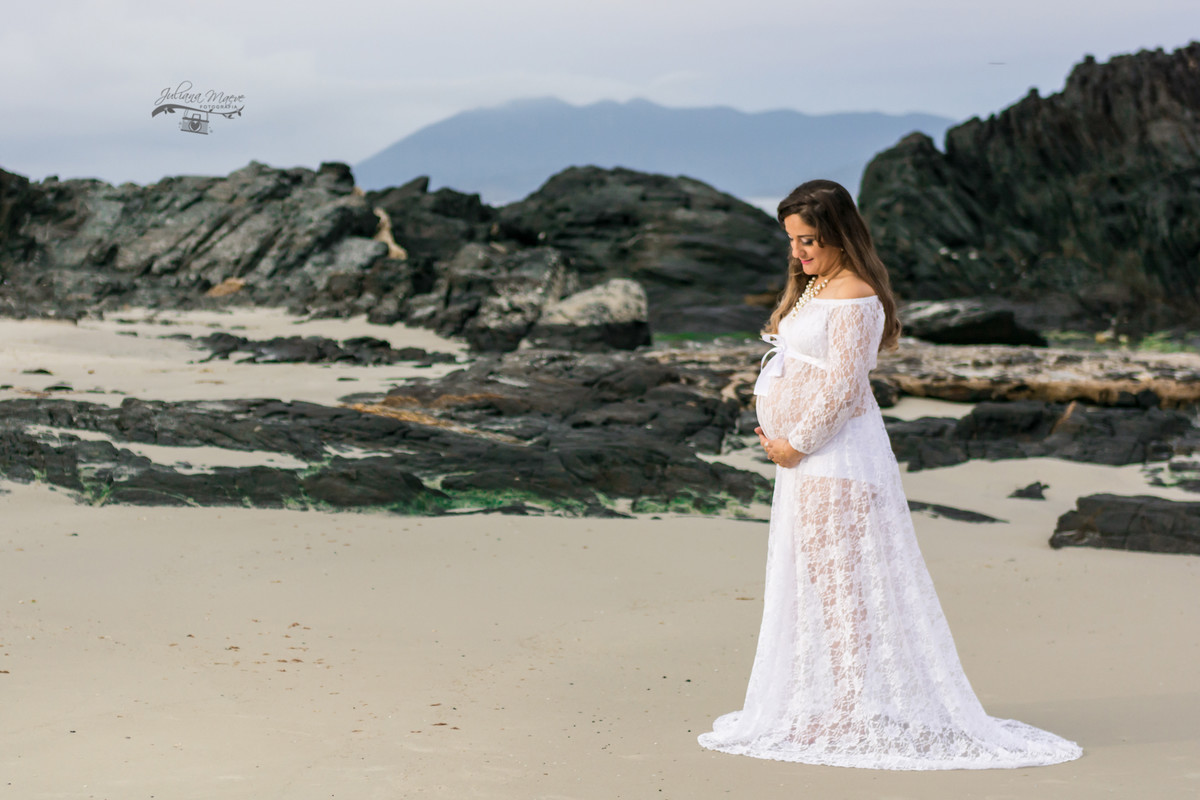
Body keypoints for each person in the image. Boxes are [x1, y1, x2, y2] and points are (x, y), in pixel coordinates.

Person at [697, 179, 1082, 769]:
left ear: (839, 234)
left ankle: (851, 709)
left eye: (809, 240)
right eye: (793, 242)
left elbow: (845, 389)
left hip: (836, 459)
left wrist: (795, 444)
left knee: (844, 585)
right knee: (820, 583)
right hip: (810, 461)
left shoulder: (854, 296)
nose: (798, 252)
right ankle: (835, 702)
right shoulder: (818, 284)